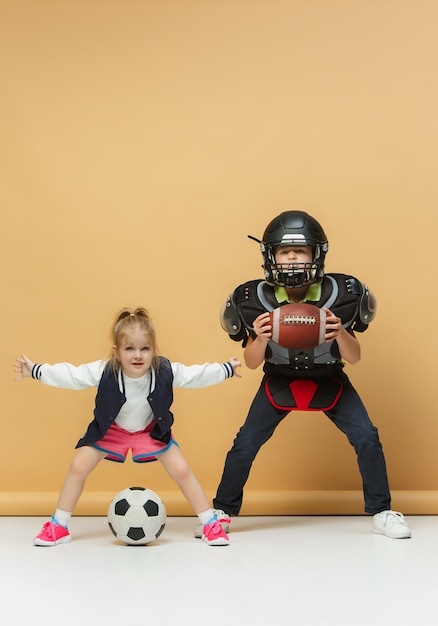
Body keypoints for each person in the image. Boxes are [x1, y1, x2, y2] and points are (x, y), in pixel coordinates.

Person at [195, 210, 410, 540]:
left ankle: (382, 511)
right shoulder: (253, 301)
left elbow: (354, 357)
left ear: (316, 255)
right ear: (271, 257)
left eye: (301, 250)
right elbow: (252, 362)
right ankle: (221, 512)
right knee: (246, 443)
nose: (292, 257)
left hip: (330, 377)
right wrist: (263, 336)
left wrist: (339, 333)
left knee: (367, 436)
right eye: (284, 251)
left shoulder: (344, 294)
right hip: (278, 379)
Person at [13, 307, 241, 547]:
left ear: (153, 350)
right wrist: (36, 371)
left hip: (149, 431)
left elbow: (194, 375)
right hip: (111, 431)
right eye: (130, 348)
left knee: (181, 470)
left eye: (145, 348)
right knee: (78, 466)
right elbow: (73, 375)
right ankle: (58, 526)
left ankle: (209, 524)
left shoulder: (164, 370)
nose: (138, 355)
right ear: (117, 351)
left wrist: (225, 369)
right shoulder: (105, 370)